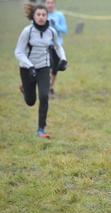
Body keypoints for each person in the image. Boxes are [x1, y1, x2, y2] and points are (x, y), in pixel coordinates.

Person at [15, 3, 67, 138]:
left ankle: (41, 129)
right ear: (33, 16)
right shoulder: (27, 31)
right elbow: (18, 52)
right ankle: (25, 87)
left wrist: (64, 59)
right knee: (30, 101)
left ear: (47, 16)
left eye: (44, 15)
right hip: (27, 68)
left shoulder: (51, 31)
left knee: (44, 96)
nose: (41, 17)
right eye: (38, 14)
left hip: (44, 68)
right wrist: (30, 66)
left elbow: (58, 46)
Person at [44, 0, 67, 96]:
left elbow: (64, 30)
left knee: (55, 68)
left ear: (54, 4)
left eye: (51, 3)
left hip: (57, 44)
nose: (49, 5)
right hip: (45, 44)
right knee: (49, 64)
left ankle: (51, 87)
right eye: (48, 3)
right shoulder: (41, 14)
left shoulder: (59, 15)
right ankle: (45, 86)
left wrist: (55, 25)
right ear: (45, 4)